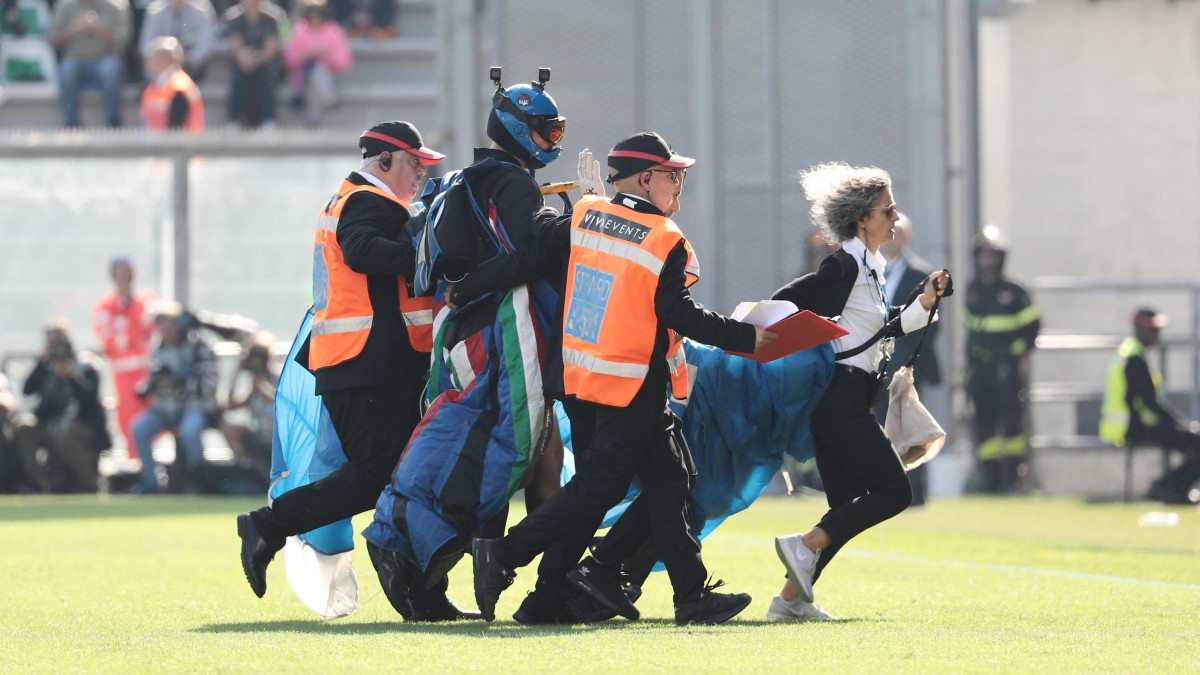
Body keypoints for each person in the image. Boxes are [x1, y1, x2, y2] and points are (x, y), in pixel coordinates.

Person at [470, 132, 774, 627]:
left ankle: (678, 596)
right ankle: (507, 557)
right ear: (646, 177)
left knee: (670, 481)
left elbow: (554, 243)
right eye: (673, 175)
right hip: (630, 383)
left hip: (581, 379)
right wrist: (744, 337)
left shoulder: (588, 214)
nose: (680, 185)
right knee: (598, 490)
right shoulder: (665, 238)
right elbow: (677, 312)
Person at [359, 70, 567, 622]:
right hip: (497, 321)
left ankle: (467, 580)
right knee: (511, 446)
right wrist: (572, 225)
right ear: (517, 129)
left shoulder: (459, 178)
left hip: (453, 328)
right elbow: (527, 257)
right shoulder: (513, 182)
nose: (553, 142)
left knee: (520, 447)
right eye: (545, 131)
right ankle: (437, 557)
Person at [236, 121, 449, 612]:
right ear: (383, 161)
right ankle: (268, 525)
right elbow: (362, 251)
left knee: (400, 477)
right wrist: (427, 255)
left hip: (363, 362)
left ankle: (420, 594)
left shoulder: (355, 197)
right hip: (366, 363)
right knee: (383, 475)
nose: (420, 172)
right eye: (414, 162)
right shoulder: (365, 201)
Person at [768, 162, 950, 621]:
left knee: (847, 505)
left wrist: (924, 303)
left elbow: (881, 332)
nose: (894, 216)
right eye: (887, 209)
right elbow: (786, 299)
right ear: (861, 219)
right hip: (839, 398)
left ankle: (788, 601)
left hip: (849, 397)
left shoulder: (874, 264)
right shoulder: (846, 262)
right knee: (894, 492)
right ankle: (804, 544)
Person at [964, 225, 1040, 494]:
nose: (988, 260)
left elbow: (1032, 328)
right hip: (980, 369)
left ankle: (1011, 479)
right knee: (984, 423)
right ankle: (990, 480)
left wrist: (1018, 354)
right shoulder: (972, 289)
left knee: (1011, 423)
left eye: (993, 255)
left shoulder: (1015, 290)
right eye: (984, 254)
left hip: (1007, 367)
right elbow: (972, 333)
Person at [874, 213, 942, 506]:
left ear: (907, 237)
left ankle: (915, 490)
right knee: (879, 428)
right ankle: (884, 487)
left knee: (911, 426)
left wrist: (903, 356)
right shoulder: (873, 272)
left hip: (906, 367)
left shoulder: (921, 275)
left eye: (898, 232)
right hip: (876, 366)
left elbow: (931, 322)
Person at [1100, 309, 1200, 504]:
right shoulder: (1134, 357)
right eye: (1151, 329)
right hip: (1133, 426)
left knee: (1193, 442)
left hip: (1134, 425)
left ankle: (1169, 487)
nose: (1156, 335)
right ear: (1138, 328)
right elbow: (1148, 404)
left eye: (1157, 330)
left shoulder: (1132, 352)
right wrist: (1180, 424)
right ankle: (1167, 487)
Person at [130, 302, 219, 493]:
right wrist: (153, 385)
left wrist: (180, 381)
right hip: (165, 408)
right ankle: (151, 483)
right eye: (161, 323)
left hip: (193, 407)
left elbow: (209, 388)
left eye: (169, 323)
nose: (165, 329)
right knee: (138, 428)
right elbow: (152, 380)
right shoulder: (157, 349)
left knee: (190, 431)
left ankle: (197, 480)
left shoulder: (199, 349)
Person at [14, 320, 112, 493]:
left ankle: (92, 484)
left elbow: (90, 400)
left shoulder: (85, 364)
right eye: (51, 341)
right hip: (51, 425)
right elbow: (27, 390)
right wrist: (42, 363)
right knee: (24, 426)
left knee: (66, 434)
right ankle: (42, 482)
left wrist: (71, 376)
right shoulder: (46, 366)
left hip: (81, 427)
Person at [92, 257, 158, 460]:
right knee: (128, 421)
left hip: (148, 371)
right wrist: (136, 333)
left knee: (156, 417)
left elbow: (155, 327)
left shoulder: (146, 300)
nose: (124, 278)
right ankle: (136, 467)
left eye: (128, 273)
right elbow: (111, 341)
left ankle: (153, 466)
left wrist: (131, 335)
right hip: (123, 374)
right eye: (120, 273)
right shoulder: (105, 306)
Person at [48, 0, 130, 127]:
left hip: (105, 59)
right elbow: (52, 40)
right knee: (67, 70)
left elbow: (123, 41)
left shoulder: (116, 7)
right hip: (75, 60)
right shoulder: (65, 6)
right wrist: (75, 29)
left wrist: (98, 28)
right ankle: (71, 124)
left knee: (111, 70)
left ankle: (114, 123)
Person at [282, 0, 351, 126]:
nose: (315, 19)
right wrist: (306, 55)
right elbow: (290, 59)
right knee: (315, 73)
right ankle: (328, 101)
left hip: (331, 76)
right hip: (301, 76)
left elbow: (343, 62)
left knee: (317, 73)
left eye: (318, 16)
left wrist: (325, 55)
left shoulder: (333, 31)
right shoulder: (299, 30)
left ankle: (314, 124)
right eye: (311, 16)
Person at [220, 331, 276, 475]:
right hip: (258, 430)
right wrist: (237, 372)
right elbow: (230, 406)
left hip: (277, 434)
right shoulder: (253, 385)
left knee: (272, 426)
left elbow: (283, 403)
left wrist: (264, 387)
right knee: (229, 427)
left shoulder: (278, 376)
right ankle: (245, 467)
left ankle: (275, 467)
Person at [225, 0, 281, 129]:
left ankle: (269, 120)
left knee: (267, 75)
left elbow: (270, 49)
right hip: (243, 63)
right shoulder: (235, 19)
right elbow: (236, 47)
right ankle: (234, 120)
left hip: (264, 63)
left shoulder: (271, 19)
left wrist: (257, 59)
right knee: (238, 75)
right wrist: (245, 59)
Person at [137, 0, 217, 83]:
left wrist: (189, 58)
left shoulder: (203, 9)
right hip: (162, 64)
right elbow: (145, 45)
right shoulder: (155, 10)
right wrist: (161, 57)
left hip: (191, 65)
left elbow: (206, 42)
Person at [139, 36, 204, 132]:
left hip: (177, 145)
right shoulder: (155, 86)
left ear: (163, 60)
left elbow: (176, 127)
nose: (148, 63)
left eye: (152, 58)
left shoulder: (179, 87)